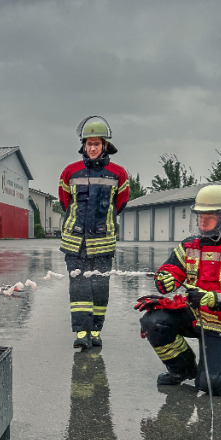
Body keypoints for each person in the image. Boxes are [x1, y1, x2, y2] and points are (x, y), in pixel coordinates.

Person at [137, 184, 221, 396]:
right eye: (200, 216)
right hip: (194, 314)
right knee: (154, 322)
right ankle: (182, 370)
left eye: (210, 217)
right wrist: (166, 279)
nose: (202, 222)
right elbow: (171, 268)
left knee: (213, 386)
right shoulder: (190, 245)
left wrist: (212, 298)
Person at [58, 116, 130, 349]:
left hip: (103, 242)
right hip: (74, 241)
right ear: (83, 145)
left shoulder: (119, 173)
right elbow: (65, 202)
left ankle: (96, 331)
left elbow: (120, 203)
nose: (92, 148)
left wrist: (102, 222)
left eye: (96, 144)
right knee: (78, 286)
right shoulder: (70, 171)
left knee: (100, 288)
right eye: (88, 144)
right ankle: (81, 334)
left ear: (105, 145)